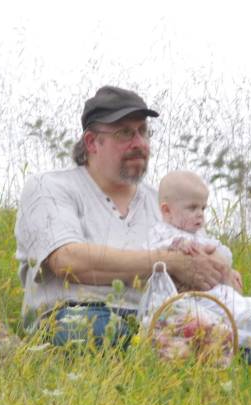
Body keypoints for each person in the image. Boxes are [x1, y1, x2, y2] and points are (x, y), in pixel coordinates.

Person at [15, 85, 231, 346]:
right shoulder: (48, 187)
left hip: (159, 319)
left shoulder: (162, 203)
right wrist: (170, 263)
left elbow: (203, 260)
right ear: (92, 142)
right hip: (75, 315)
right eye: (125, 133)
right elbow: (68, 261)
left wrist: (221, 272)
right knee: (102, 331)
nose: (139, 143)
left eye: (143, 132)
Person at [147, 170, 251, 373]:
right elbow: (155, 255)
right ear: (167, 211)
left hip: (214, 294)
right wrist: (179, 247)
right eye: (192, 207)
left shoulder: (198, 234)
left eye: (203, 207)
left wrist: (225, 268)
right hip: (190, 300)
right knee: (222, 326)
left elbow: (222, 254)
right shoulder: (162, 232)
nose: (200, 214)